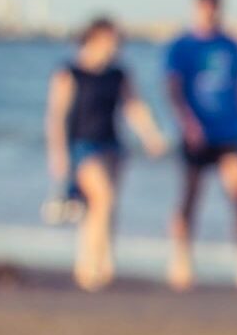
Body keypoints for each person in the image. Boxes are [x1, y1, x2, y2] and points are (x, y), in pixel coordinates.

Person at [42, 16, 167, 291]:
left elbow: (133, 106)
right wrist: (58, 154)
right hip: (82, 147)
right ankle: (90, 265)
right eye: (111, 40)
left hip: (112, 146)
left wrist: (151, 136)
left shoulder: (118, 74)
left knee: (102, 209)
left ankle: (100, 261)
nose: (115, 46)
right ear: (95, 38)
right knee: (103, 199)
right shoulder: (69, 72)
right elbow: (56, 116)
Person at [163, 0, 237, 292]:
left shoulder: (232, 46)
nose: (209, 13)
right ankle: (180, 262)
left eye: (214, 7)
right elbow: (172, 89)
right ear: (196, 8)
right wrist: (187, 123)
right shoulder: (181, 46)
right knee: (190, 199)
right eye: (204, 7)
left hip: (230, 132)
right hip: (196, 134)